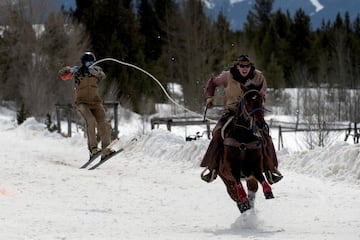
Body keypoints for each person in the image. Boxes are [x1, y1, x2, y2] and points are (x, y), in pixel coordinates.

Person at [200, 54, 283, 184]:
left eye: (247, 65)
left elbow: (262, 95)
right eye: (242, 65)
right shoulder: (227, 76)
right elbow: (212, 83)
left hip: (252, 114)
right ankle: (213, 168)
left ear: (251, 66)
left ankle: (270, 170)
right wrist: (209, 97)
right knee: (217, 133)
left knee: (265, 136)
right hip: (231, 113)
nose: (245, 68)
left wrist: (255, 104)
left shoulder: (259, 77)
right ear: (237, 66)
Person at [59, 52, 115, 160]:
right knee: (90, 120)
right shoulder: (78, 72)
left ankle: (106, 149)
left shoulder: (95, 70)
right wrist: (69, 70)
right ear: (83, 62)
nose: (90, 64)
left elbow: (102, 75)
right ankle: (93, 149)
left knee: (103, 122)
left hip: (95, 102)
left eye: (92, 62)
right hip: (82, 103)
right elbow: (62, 75)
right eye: (88, 62)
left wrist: (95, 72)